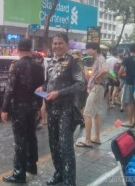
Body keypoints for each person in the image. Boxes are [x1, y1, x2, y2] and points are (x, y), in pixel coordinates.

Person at [41, 33, 85, 186]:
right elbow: (48, 82)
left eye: (60, 43)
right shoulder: (51, 62)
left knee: (65, 146)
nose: (57, 46)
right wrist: (43, 88)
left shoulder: (73, 61)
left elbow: (80, 84)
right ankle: (59, 173)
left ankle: (69, 180)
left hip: (66, 110)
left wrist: (58, 93)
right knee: (53, 144)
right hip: (52, 109)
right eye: (54, 43)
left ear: (66, 44)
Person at [1, 39, 44, 184]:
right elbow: (40, 89)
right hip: (32, 107)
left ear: (18, 49)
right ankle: (32, 166)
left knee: (20, 140)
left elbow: (10, 89)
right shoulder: (39, 67)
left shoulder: (15, 66)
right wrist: (38, 107)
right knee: (31, 136)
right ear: (30, 49)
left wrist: (4, 108)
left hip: (18, 108)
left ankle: (19, 173)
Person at [76, 42, 109, 148]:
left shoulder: (100, 58)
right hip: (98, 88)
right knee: (95, 113)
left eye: (88, 49)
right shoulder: (99, 59)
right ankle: (96, 137)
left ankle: (87, 140)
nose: (87, 51)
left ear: (94, 49)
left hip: (96, 88)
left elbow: (106, 71)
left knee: (87, 114)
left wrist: (96, 77)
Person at [118, 44, 135, 128]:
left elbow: (120, 71)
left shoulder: (127, 59)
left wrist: (120, 79)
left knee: (129, 103)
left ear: (130, 51)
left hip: (129, 82)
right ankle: (134, 120)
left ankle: (130, 122)